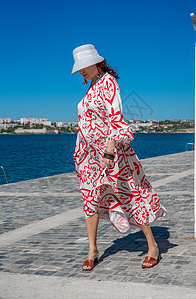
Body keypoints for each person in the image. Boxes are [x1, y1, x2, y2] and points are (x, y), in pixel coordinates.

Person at [72, 44, 167, 271]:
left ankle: (152, 246)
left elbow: (115, 117)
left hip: (109, 152)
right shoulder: (91, 88)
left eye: (86, 66)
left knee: (129, 194)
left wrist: (110, 150)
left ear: (97, 63)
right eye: (80, 69)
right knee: (89, 199)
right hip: (88, 156)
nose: (83, 71)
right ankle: (92, 249)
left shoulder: (108, 83)